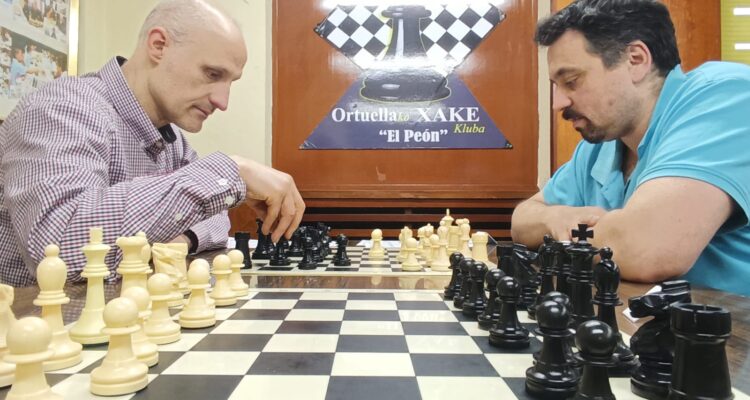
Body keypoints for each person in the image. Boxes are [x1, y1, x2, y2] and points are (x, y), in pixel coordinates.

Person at [0, 0, 305, 286]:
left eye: (230, 82)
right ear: (159, 46)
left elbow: (215, 218)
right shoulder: (62, 109)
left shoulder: (171, 140)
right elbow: (61, 251)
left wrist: (181, 240)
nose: (222, 101)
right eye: (212, 74)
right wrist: (230, 171)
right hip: (33, 321)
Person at [511, 0, 750, 295]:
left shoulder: (727, 97)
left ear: (635, 60)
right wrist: (557, 218)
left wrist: (570, 234)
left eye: (571, 81)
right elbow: (523, 219)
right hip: (641, 320)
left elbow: (647, 248)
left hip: (731, 322)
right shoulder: (600, 146)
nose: (558, 103)